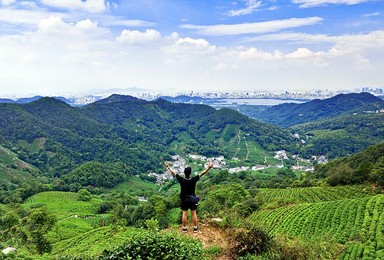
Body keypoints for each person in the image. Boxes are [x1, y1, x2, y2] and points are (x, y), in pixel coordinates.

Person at [165, 162, 213, 233]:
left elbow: (174, 173)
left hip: (184, 199)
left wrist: (168, 167)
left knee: (184, 214)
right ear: (190, 173)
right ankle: (195, 228)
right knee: (194, 213)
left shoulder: (181, 180)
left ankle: (184, 228)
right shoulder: (193, 180)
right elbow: (202, 174)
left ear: (184, 173)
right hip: (192, 198)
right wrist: (208, 168)